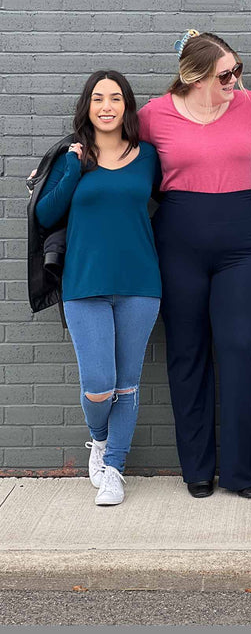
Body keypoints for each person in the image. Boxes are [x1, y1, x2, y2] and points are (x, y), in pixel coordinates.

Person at [138, 30, 251, 500]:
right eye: (225, 73)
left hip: (242, 243)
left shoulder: (250, 104)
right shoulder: (154, 115)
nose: (236, 78)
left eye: (238, 69)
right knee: (186, 353)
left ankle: (240, 472)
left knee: (239, 350)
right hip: (177, 240)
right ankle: (197, 469)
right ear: (194, 76)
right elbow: (110, 142)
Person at [35, 71, 161, 506]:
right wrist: (71, 166)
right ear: (87, 107)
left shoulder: (147, 156)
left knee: (127, 384)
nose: (106, 106)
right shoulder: (72, 157)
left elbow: (164, 203)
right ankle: (100, 439)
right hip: (84, 284)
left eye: (115, 98)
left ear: (127, 106)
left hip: (140, 282)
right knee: (99, 385)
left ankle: (114, 469)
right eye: (97, 99)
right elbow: (46, 214)